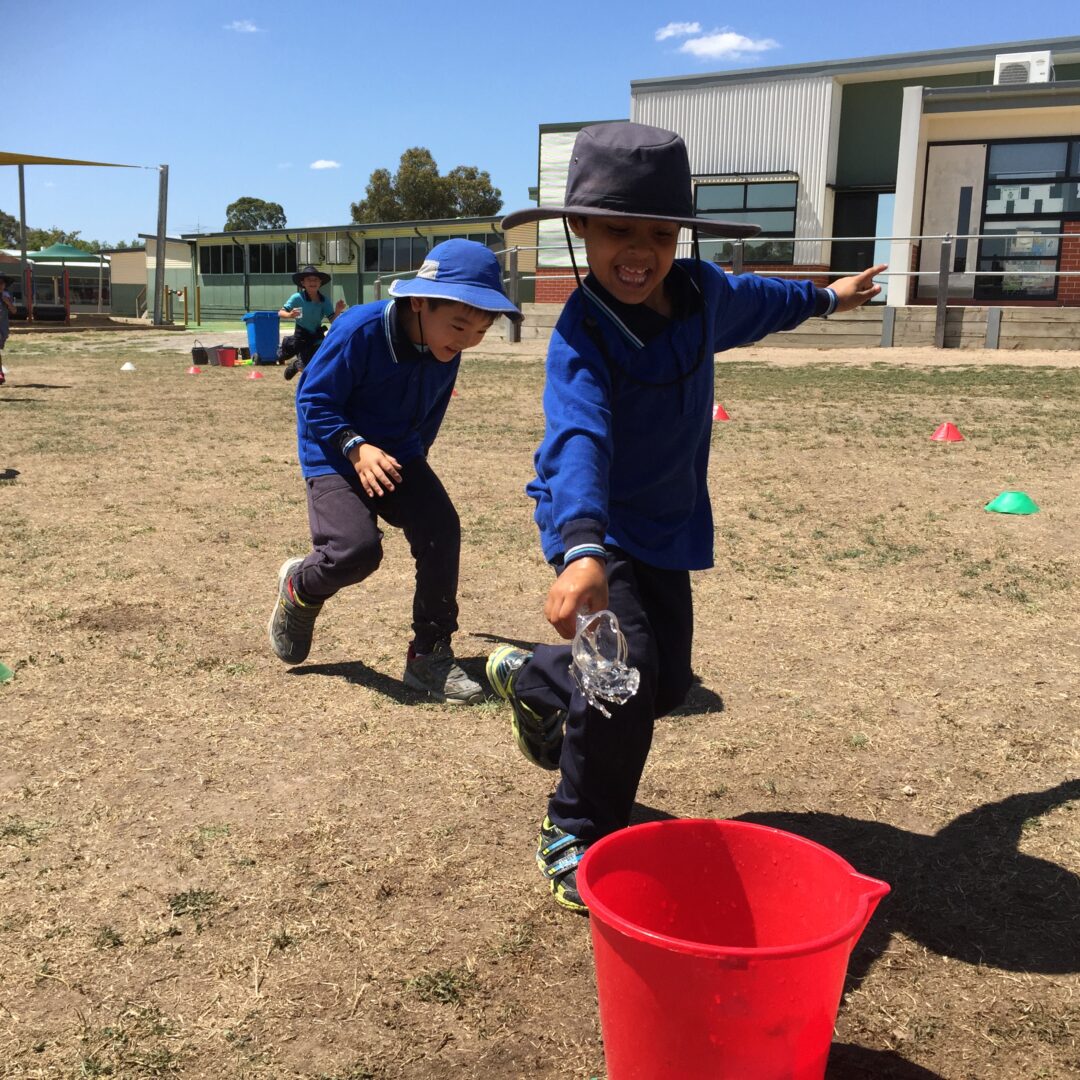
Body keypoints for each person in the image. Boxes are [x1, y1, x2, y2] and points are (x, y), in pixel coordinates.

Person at [486, 121, 886, 912]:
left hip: (667, 525)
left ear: (682, 236)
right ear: (580, 230)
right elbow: (578, 439)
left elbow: (768, 301)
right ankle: (575, 827)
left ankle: (535, 679)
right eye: (617, 231)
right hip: (596, 533)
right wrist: (581, 549)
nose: (639, 251)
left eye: (660, 233)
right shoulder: (583, 335)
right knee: (624, 685)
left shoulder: (706, 296)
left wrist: (827, 297)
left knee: (664, 688)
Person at [268, 238, 522, 703]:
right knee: (356, 552)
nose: (465, 341)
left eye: (480, 332)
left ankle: (429, 654)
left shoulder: (447, 344)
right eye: (460, 325)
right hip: (334, 452)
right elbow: (314, 400)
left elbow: (430, 413)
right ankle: (299, 588)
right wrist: (356, 449)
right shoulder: (358, 329)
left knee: (440, 526)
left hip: (396, 454)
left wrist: (413, 467)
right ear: (420, 301)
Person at [279, 265, 347, 380]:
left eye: (315, 279)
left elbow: (333, 320)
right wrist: (290, 315)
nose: (312, 282)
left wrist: (337, 311)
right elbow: (280, 312)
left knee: (321, 362)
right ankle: (296, 365)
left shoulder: (324, 301)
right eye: (309, 280)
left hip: (317, 335)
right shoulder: (297, 298)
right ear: (303, 283)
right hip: (301, 336)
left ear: (320, 283)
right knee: (304, 367)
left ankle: (316, 385)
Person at [0, 274, 16, 386]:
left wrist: (8, 303)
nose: (0, 285)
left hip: (2, 328)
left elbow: (14, 311)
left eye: (2, 283)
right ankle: (0, 373)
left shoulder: (6, 296)